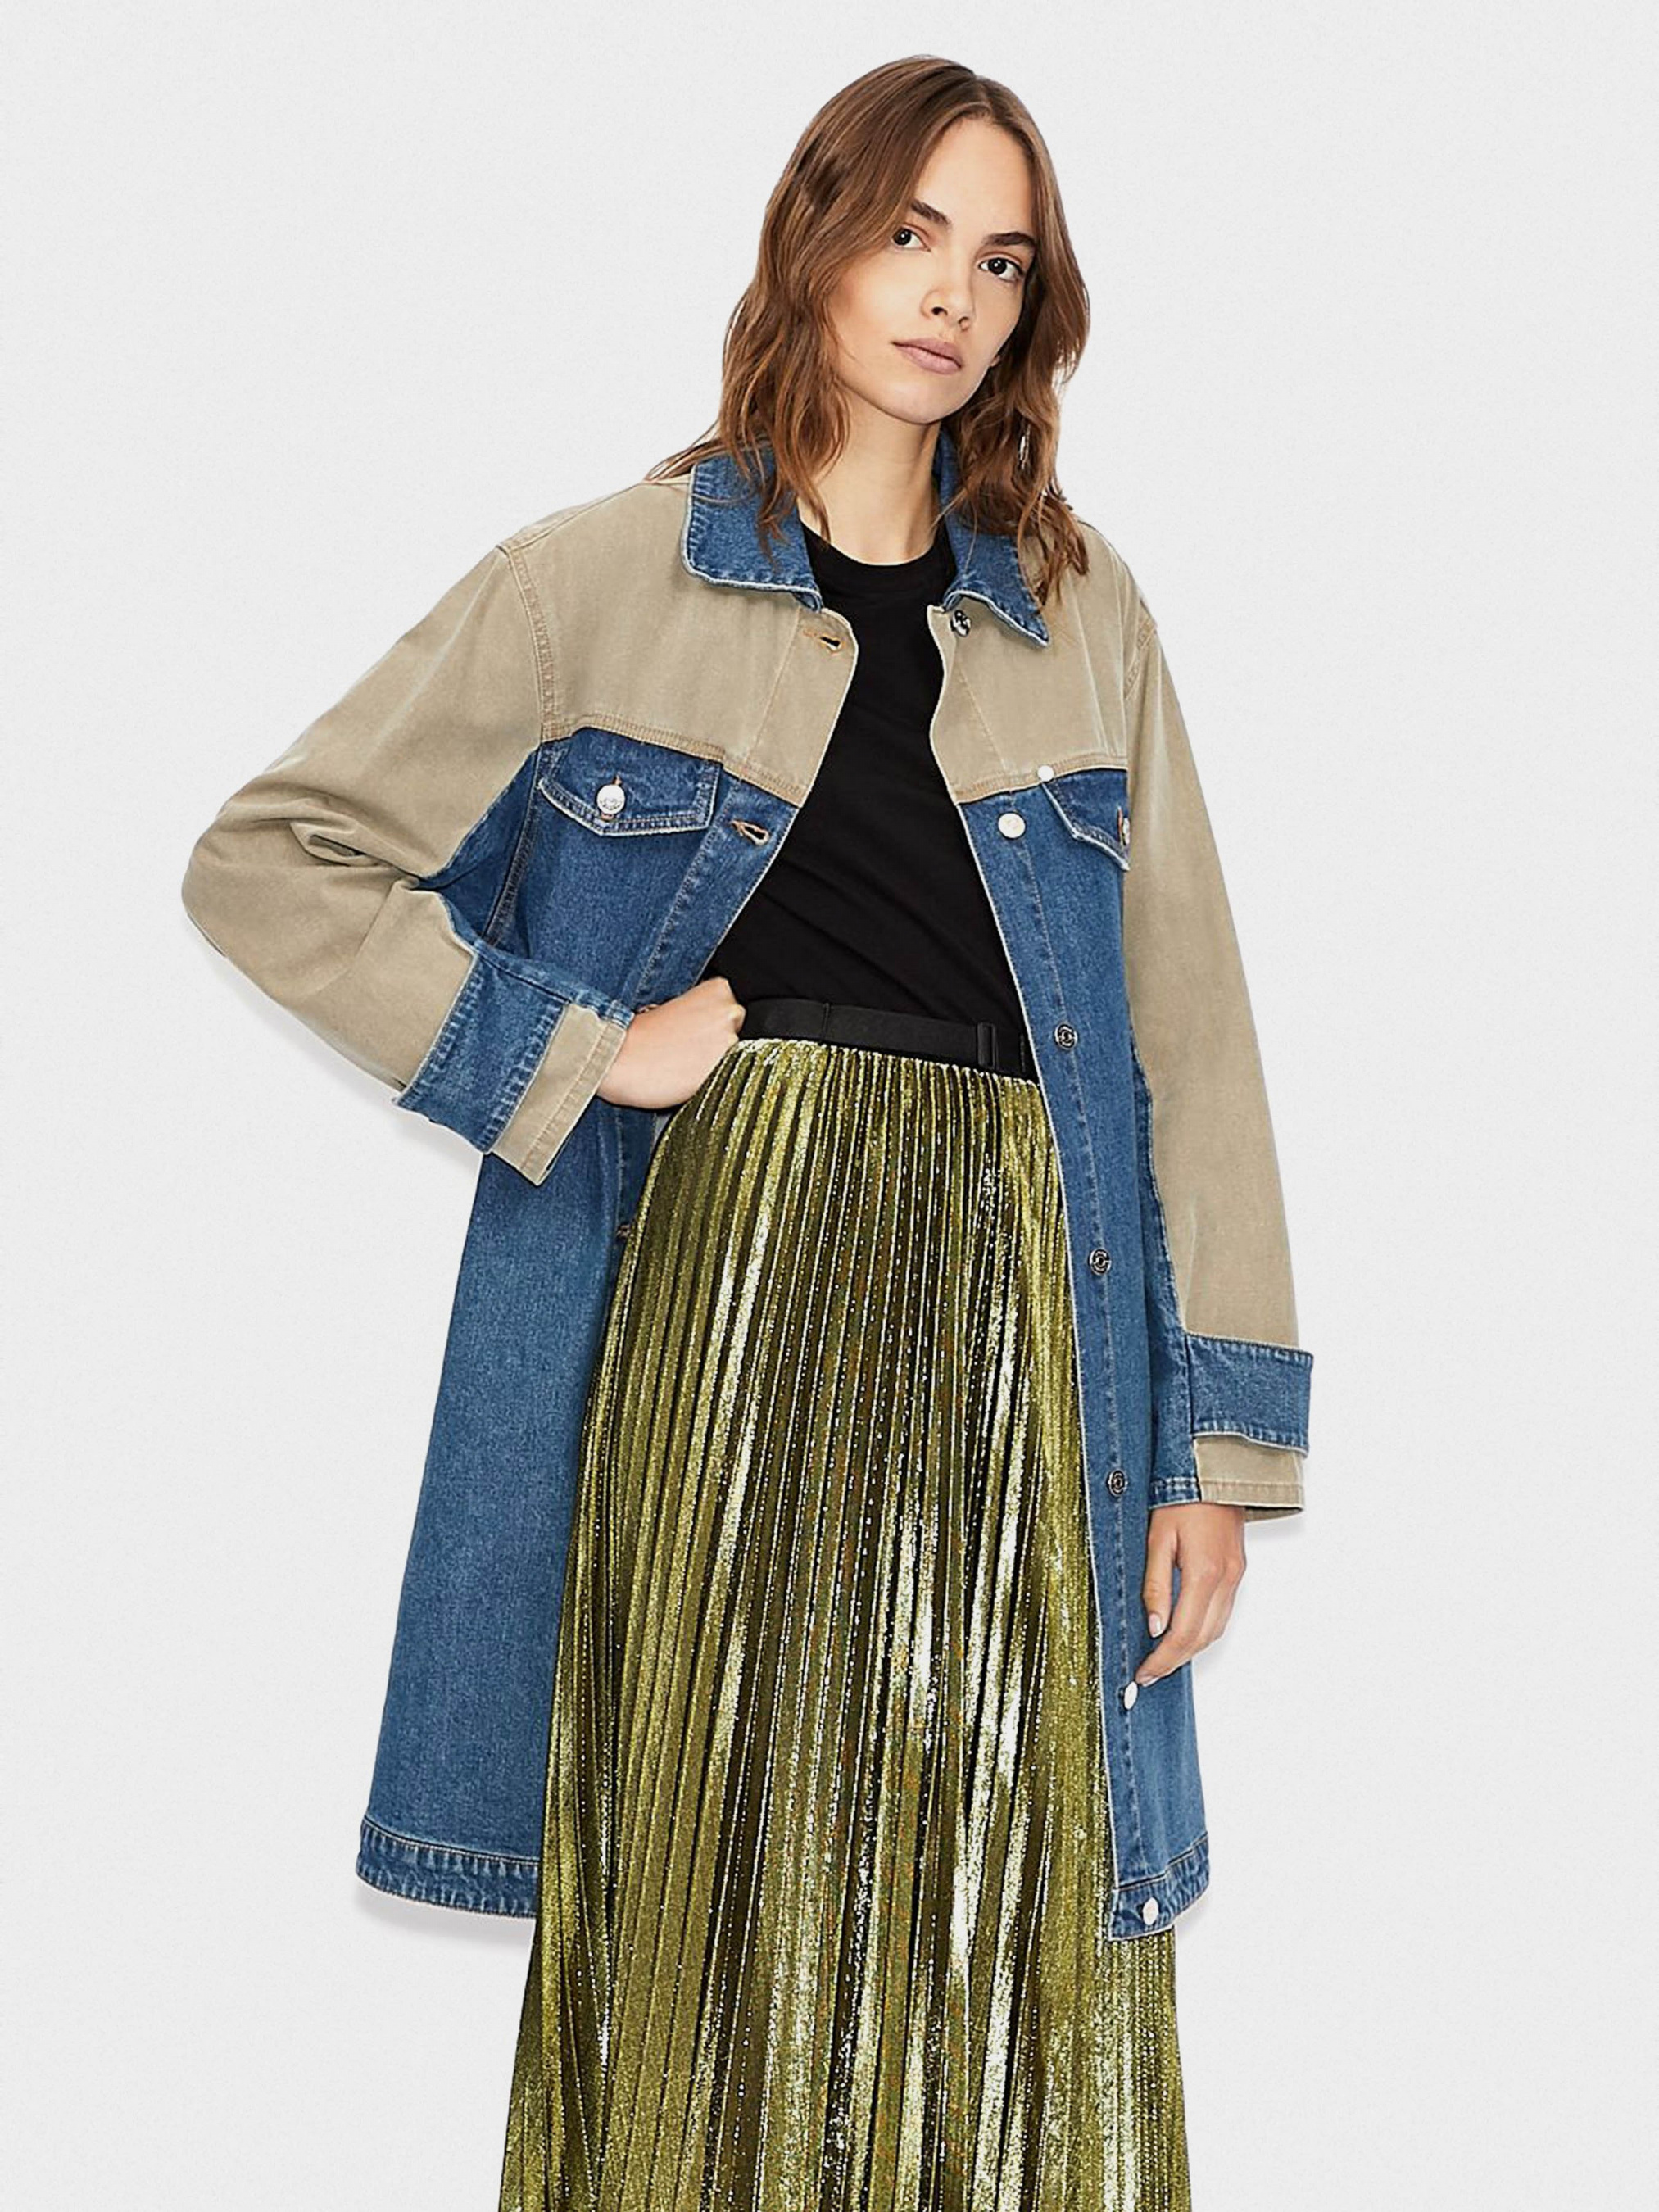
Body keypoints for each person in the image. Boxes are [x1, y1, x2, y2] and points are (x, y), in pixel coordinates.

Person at [181, 55, 1312, 2212]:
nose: (951, 296)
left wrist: (1215, 1448)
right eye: (910, 234)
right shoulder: (600, 576)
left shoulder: (1082, 610)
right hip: (729, 1292)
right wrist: (575, 1048)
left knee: (1014, 1907)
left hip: (1024, 1312)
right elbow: (271, 859)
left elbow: (1190, 1037)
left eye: (1002, 262)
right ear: (816, 237)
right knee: (712, 1877)